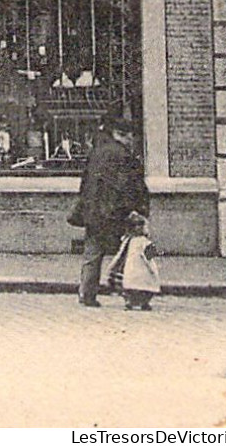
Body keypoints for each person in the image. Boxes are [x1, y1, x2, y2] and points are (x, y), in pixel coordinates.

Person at [75, 115, 149, 307]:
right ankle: (132, 295)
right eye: (129, 136)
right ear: (122, 135)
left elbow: (86, 182)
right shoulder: (124, 156)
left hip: (94, 211)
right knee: (130, 253)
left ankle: (86, 293)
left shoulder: (97, 152)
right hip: (117, 212)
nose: (131, 140)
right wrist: (136, 209)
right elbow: (130, 186)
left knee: (93, 253)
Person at [110, 211, 159, 311]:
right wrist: (154, 270)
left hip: (130, 269)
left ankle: (130, 301)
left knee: (128, 285)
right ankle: (144, 302)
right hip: (142, 270)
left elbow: (120, 254)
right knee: (146, 286)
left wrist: (113, 266)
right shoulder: (145, 242)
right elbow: (150, 257)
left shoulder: (127, 240)